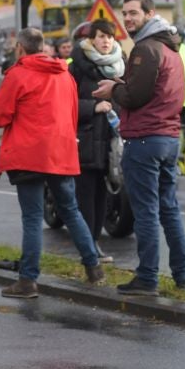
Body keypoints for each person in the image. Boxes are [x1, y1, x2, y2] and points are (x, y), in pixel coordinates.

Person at [0, 27, 105, 298]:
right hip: (60, 152)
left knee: (32, 217)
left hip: (28, 155)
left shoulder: (18, 74)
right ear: (44, 47)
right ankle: (94, 266)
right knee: (71, 210)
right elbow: (73, 112)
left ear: (20, 48)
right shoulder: (64, 75)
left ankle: (28, 281)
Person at [93, 0, 185, 296]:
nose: (128, 19)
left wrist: (113, 89)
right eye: (125, 13)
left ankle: (148, 277)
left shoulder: (146, 50)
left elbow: (136, 97)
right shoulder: (172, 49)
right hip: (168, 136)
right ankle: (183, 275)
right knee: (169, 209)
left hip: (145, 139)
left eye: (134, 13)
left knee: (146, 211)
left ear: (150, 14)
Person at [69, 19, 125, 264]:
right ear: (90, 39)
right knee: (86, 195)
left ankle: (95, 244)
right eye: (101, 36)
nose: (106, 41)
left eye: (109, 37)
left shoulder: (120, 66)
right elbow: (65, 104)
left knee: (104, 195)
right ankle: (87, 247)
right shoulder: (76, 67)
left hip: (112, 141)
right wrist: (94, 106)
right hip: (86, 139)